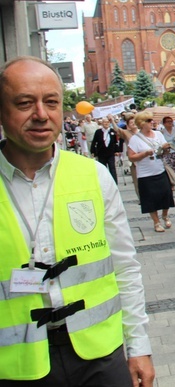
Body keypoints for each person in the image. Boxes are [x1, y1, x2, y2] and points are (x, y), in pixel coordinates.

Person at [0, 57, 155, 385]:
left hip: (99, 356)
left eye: (51, 102)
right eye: (25, 103)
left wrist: (139, 346)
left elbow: (124, 267)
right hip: (15, 367)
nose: (41, 114)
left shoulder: (94, 176)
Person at [128, 111, 175, 232]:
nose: (152, 122)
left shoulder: (158, 134)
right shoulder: (135, 139)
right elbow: (131, 157)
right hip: (145, 174)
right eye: (149, 121)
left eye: (151, 120)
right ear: (141, 124)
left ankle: (165, 215)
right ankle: (156, 222)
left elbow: (164, 147)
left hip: (160, 170)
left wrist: (166, 148)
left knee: (166, 194)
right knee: (150, 199)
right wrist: (144, 154)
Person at [90, 115, 121, 183]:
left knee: (112, 168)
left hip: (110, 153)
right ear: (102, 123)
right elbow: (94, 142)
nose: (106, 124)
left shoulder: (112, 131)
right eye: (104, 122)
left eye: (107, 122)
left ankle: (114, 182)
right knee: (103, 168)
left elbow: (115, 142)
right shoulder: (98, 132)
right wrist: (93, 152)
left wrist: (117, 151)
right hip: (101, 153)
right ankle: (104, 182)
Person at [160, 116, 175, 191]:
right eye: (168, 121)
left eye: (171, 121)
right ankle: (171, 184)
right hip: (168, 152)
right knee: (170, 169)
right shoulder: (162, 132)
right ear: (164, 123)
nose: (170, 123)